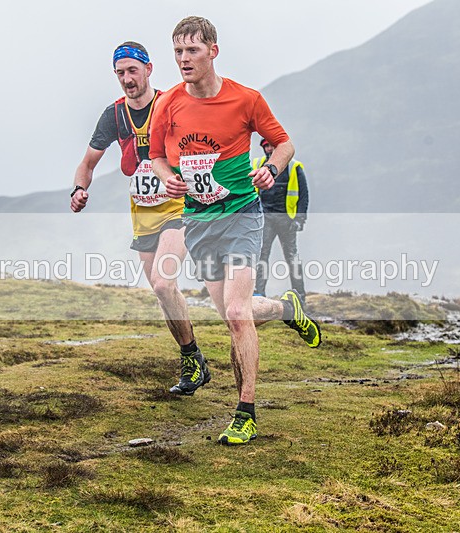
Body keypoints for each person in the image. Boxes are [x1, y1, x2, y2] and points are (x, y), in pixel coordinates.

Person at [150, 17, 322, 446]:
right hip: (199, 222)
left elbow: (284, 144)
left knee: (237, 314)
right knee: (232, 310)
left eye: (192, 51)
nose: (184, 59)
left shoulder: (246, 99)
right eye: (177, 52)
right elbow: (155, 156)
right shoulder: (168, 103)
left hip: (243, 214)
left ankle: (245, 412)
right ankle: (286, 309)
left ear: (213, 51)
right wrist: (168, 176)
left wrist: (270, 168)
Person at [71, 41, 210, 397]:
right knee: (164, 294)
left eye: (133, 70)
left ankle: (192, 359)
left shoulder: (171, 103)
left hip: (179, 208)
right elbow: (88, 163)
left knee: (164, 283)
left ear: (149, 69)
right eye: (120, 73)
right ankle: (193, 359)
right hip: (143, 215)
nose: (127, 79)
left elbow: (206, 139)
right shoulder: (114, 115)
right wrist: (78, 190)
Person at [252, 138, 310, 304]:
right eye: (266, 146)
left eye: (272, 146)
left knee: (291, 257)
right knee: (262, 255)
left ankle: (300, 296)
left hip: (287, 220)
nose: (269, 149)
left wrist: (300, 219)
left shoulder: (294, 167)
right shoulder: (257, 164)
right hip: (265, 219)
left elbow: (303, 196)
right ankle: (259, 294)